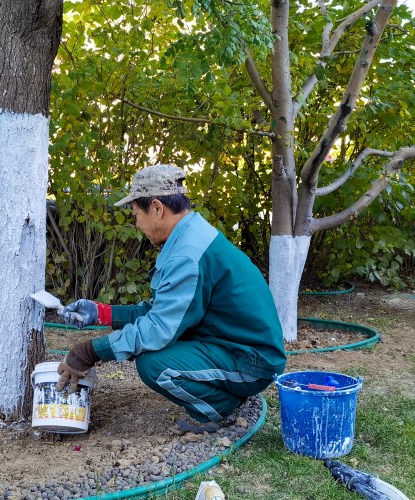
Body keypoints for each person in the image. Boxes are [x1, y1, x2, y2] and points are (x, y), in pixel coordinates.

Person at [55, 164, 286, 432]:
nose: (137, 223)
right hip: (236, 347)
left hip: (251, 362)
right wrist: (102, 313)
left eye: (135, 214)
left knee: (154, 364)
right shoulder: (191, 235)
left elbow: (158, 329)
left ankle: (221, 409)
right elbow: (163, 312)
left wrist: (90, 351)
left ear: (156, 208)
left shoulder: (186, 255)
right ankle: (229, 395)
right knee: (153, 349)